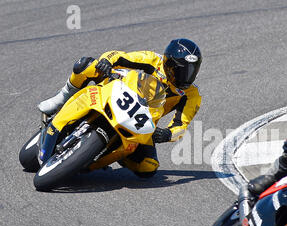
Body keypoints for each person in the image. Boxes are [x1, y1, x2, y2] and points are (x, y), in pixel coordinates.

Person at [38, 38, 202, 177]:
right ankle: (63, 96)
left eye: (192, 71)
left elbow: (181, 126)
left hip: (141, 123)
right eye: (180, 71)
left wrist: (167, 134)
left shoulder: (192, 95)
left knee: (149, 167)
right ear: (168, 64)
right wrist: (106, 62)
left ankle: (118, 154)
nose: (186, 76)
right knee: (87, 65)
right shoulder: (153, 60)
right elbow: (117, 56)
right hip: (118, 93)